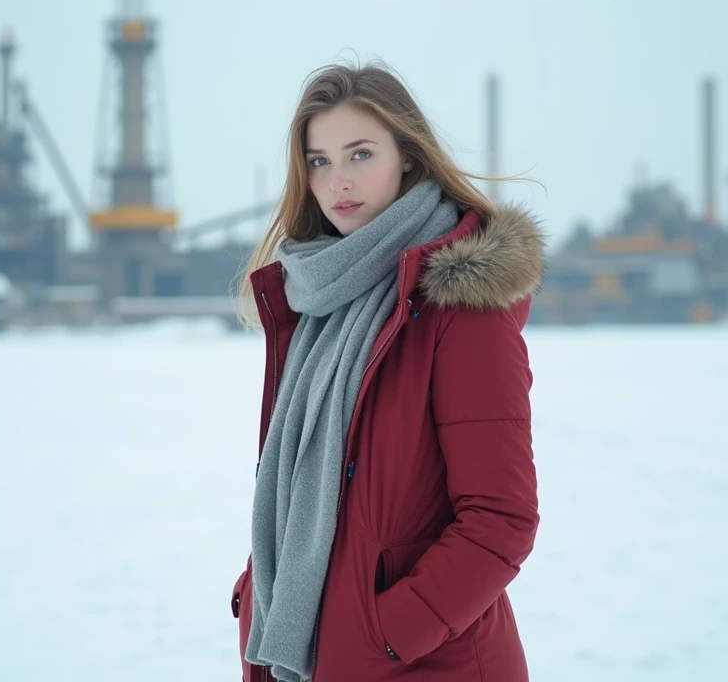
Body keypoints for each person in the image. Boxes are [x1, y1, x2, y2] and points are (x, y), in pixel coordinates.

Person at [229, 60, 544, 682]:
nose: (337, 180)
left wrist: (386, 636)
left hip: (425, 664)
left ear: (409, 157)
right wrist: (261, 585)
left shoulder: (459, 307)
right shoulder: (320, 301)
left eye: (360, 154)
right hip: (323, 654)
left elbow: (501, 519)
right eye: (318, 161)